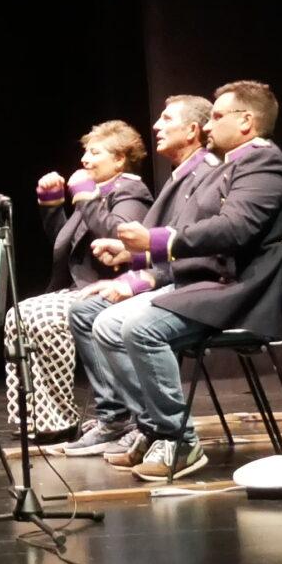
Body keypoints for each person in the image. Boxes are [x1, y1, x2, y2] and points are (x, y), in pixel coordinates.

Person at [83, 80, 282, 482]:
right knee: (107, 324)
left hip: (239, 290)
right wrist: (137, 253)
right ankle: (154, 428)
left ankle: (180, 439)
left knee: (141, 329)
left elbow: (234, 229)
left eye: (217, 116)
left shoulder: (264, 164)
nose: (209, 126)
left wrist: (156, 242)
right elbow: (196, 232)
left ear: (246, 122)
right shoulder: (232, 164)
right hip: (210, 281)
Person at [61, 95, 218, 460]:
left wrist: (140, 277)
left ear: (192, 130)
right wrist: (133, 257)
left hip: (197, 286)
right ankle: (136, 423)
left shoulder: (204, 175)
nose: (156, 126)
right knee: (85, 312)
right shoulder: (181, 175)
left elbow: (198, 246)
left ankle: (161, 429)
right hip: (173, 278)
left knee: (118, 322)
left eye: (167, 119)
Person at [7, 122, 153, 443]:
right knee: (20, 314)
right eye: (86, 152)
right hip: (81, 288)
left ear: (120, 159)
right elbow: (67, 245)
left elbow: (120, 238)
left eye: (95, 152)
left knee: (42, 316)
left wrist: (86, 199)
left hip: (114, 289)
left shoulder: (129, 192)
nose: (85, 159)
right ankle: (47, 419)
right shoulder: (98, 191)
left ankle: (111, 415)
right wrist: (52, 205)